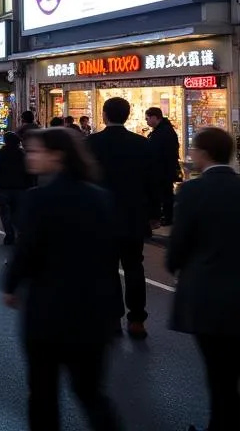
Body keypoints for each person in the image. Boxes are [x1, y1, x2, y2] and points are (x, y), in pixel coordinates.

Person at [2, 128, 123, 431]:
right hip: (96, 311)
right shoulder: (101, 197)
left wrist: (10, 285)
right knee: (90, 393)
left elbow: (27, 250)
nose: (29, 156)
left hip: (49, 313)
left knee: (43, 394)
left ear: (57, 155)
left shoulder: (39, 199)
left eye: (35, 151)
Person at [166, 126, 240, 431]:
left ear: (205, 154)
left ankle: (220, 423)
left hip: (207, 292)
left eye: (194, 149)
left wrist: (175, 266)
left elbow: (180, 243)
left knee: (217, 368)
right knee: (231, 365)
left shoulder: (193, 191)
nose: (192, 154)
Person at [87, 96, 157, 339]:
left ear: (105, 115)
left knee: (107, 270)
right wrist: (153, 215)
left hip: (101, 218)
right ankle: (137, 319)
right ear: (127, 115)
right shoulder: (142, 144)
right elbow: (152, 183)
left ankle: (113, 319)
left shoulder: (91, 143)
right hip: (133, 216)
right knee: (134, 267)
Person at [0, 130, 29, 245]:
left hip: (4, 187)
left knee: (5, 212)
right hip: (21, 188)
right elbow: (29, 173)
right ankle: (20, 234)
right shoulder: (23, 155)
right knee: (19, 211)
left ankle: (9, 235)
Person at [145, 105, 181, 226]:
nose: (147, 121)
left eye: (148, 119)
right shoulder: (164, 129)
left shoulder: (163, 131)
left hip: (163, 169)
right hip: (165, 168)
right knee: (165, 193)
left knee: (165, 194)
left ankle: (167, 216)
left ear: (155, 118)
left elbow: (159, 151)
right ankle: (165, 215)